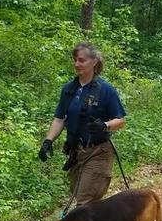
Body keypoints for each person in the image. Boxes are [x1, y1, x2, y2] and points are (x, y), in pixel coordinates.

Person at [38, 42, 127, 205]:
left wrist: (104, 125)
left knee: (84, 202)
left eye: (81, 60)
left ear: (94, 62)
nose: (77, 64)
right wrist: (48, 141)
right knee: (80, 197)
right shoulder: (69, 89)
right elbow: (59, 119)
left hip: (98, 152)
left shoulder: (106, 90)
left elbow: (120, 121)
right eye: (75, 60)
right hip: (76, 152)